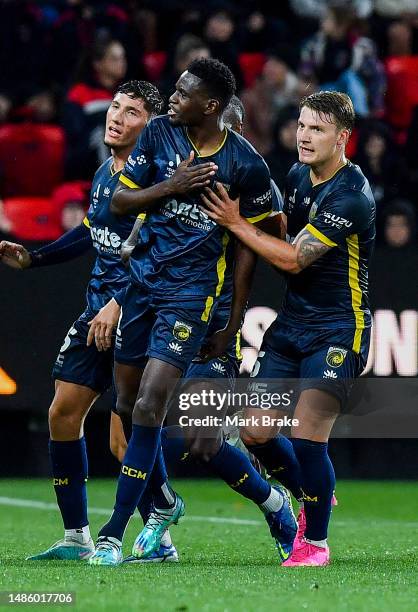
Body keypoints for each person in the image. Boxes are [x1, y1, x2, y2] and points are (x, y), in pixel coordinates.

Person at [89, 58, 296, 566]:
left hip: (201, 301)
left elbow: (266, 237)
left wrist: (233, 322)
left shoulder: (245, 163)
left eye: (183, 93)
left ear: (214, 108)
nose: (171, 99)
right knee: (128, 405)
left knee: (195, 434)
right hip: (146, 289)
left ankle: (117, 533)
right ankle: (161, 505)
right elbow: (123, 202)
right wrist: (172, 187)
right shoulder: (161, 135)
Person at [202, 90, 376, 566]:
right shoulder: (299, 177)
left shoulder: (351, 196)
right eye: (301, 125)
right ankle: (312, 491)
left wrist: (237, 223)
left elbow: (294, 260)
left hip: (340, 330)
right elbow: (280, 239)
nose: (303, 135)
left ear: (343, 138)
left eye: (317, 128)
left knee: (306, 433)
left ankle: (314, 542)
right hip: (293, 325)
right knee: (255, 432)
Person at [0, 80, 165, 561]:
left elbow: (160, 254)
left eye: (132, 112)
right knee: (62, 411)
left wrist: (121, 301)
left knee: (126, 435)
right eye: (115, 107)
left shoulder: (156, 181)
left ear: (149, 126)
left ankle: (162, 530)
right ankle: (77, 536)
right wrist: (35, 258)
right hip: (99, 312)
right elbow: (90, 233)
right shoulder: (104, 173)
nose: (116, 116)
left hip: (136, 314)